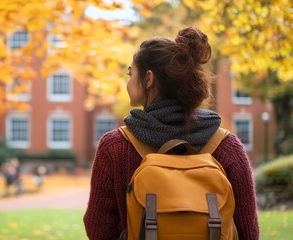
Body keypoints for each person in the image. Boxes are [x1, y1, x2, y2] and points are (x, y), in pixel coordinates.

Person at [83, 27, 259, 239]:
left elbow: (98, 229)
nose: (128, 82)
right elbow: (248, 232)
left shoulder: (115, 146)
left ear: (148, 79)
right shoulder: (227, 146)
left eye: (131, 74)